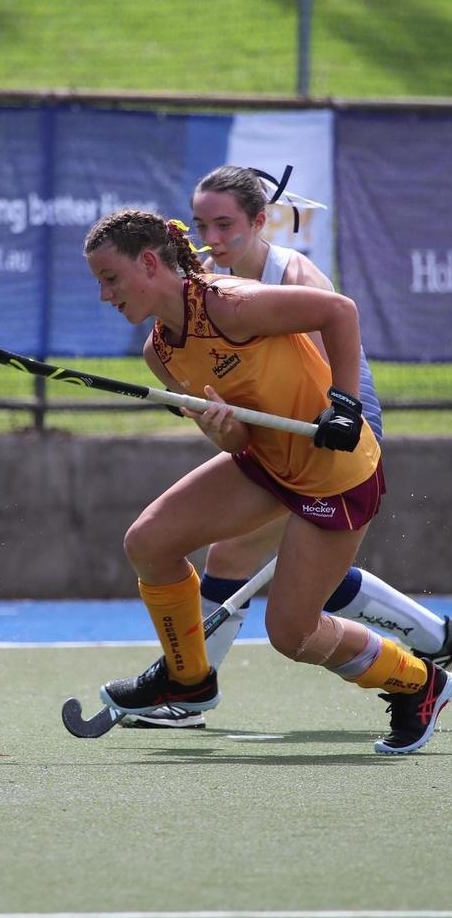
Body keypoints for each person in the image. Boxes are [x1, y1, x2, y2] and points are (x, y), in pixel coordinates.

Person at [83, 206, 452, 755]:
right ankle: (189, 680)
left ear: (151, 263)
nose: (105, 295)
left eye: (110, 278)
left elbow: (339, 311)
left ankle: (420, 683)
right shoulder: (159, 352)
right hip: (265, 464)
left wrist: (345, 403)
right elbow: (235, 444)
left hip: (335, 476)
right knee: (149, 542)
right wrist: (223, 431)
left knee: (293, 635)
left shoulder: (229, 304)